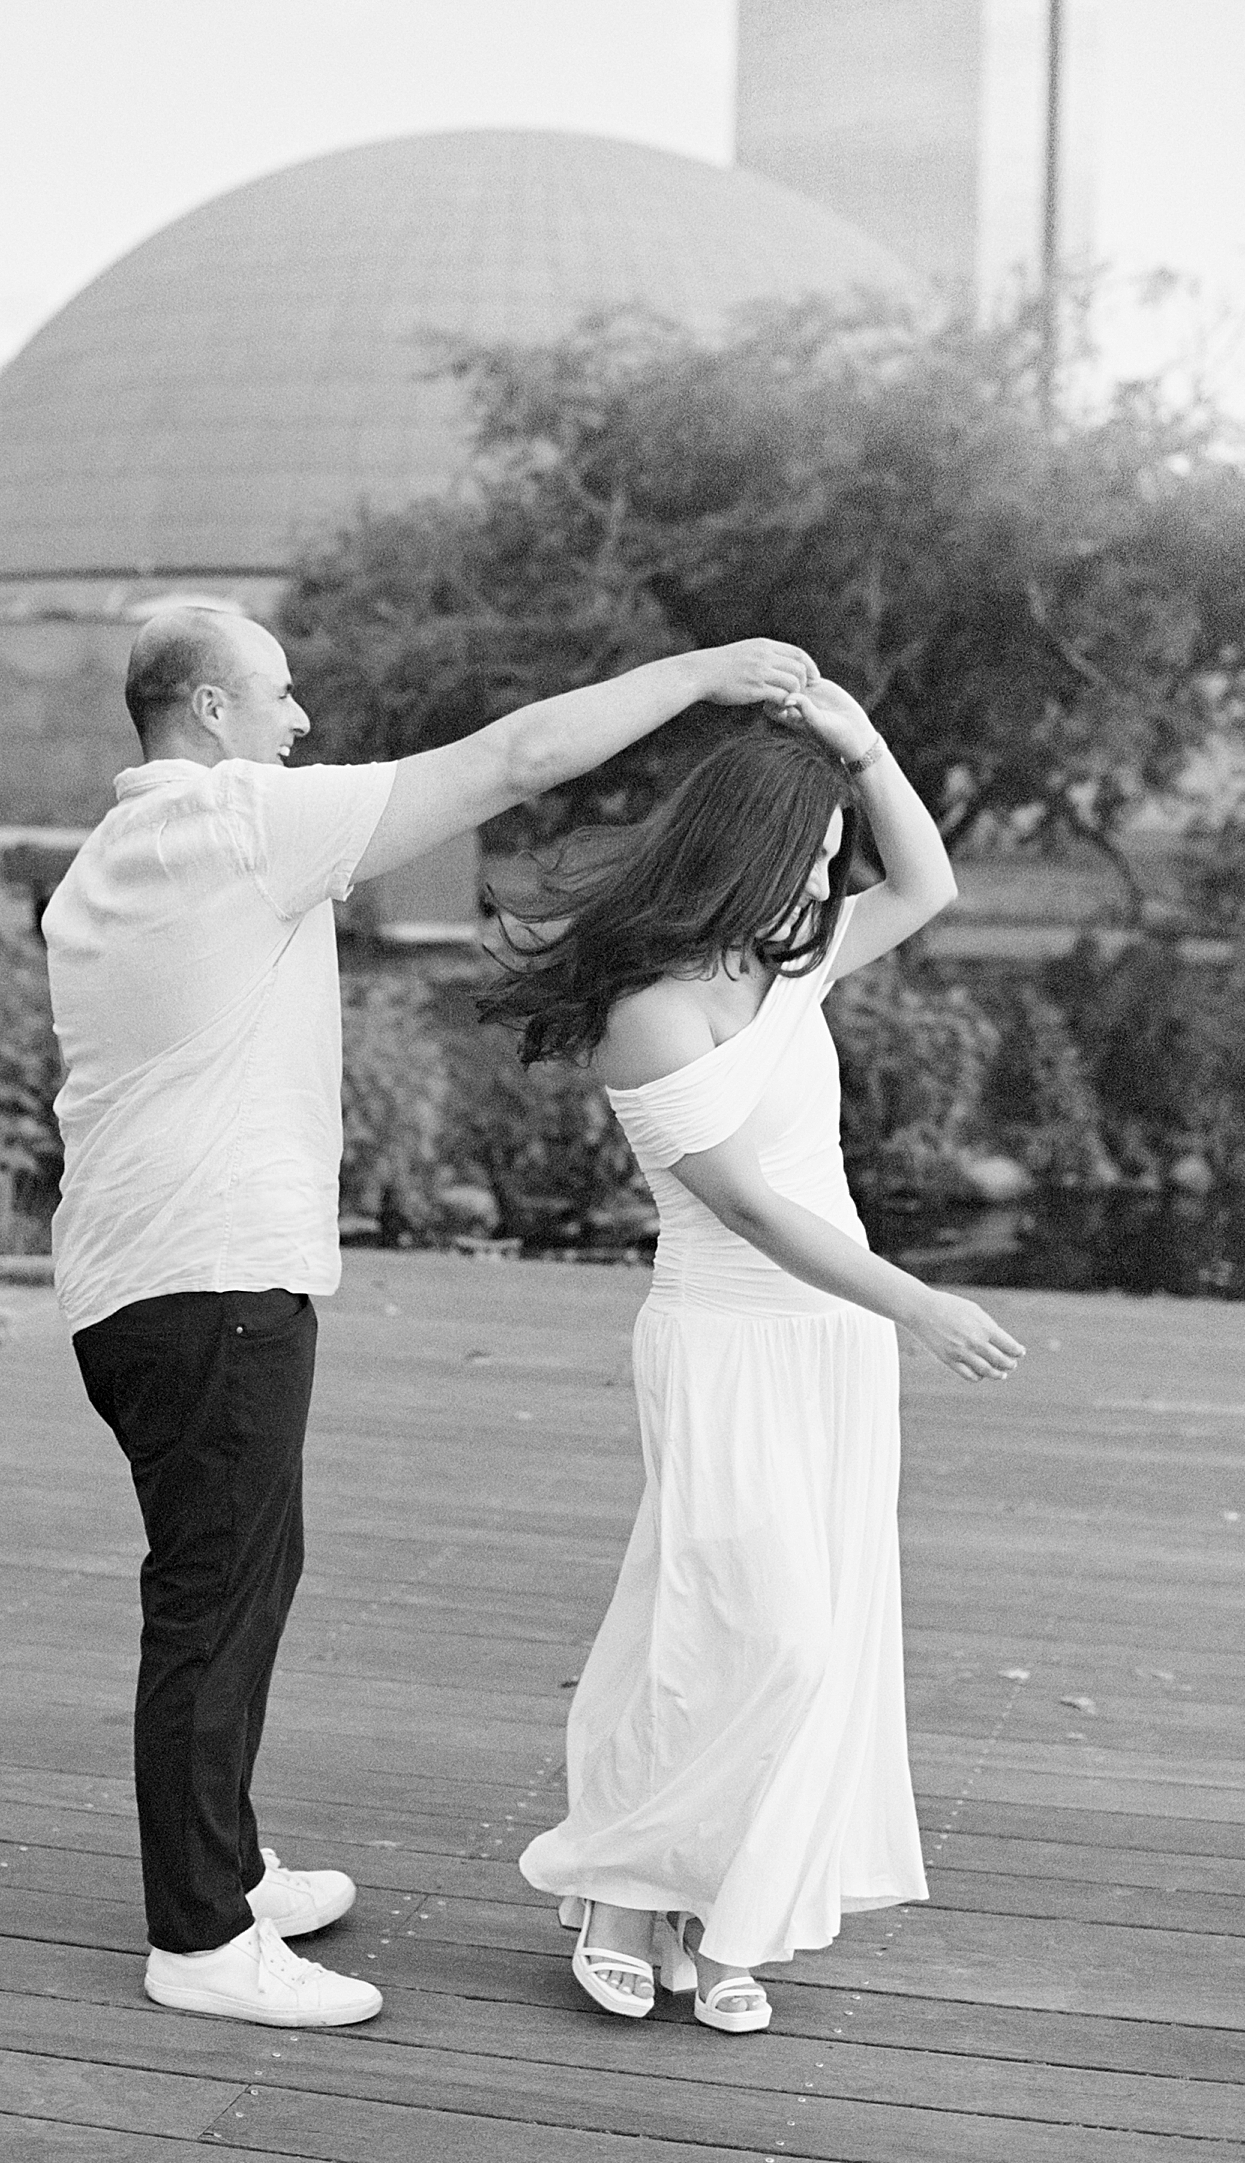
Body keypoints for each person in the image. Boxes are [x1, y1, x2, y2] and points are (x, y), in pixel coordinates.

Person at [41, 604, 820, 2028]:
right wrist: (711, 672)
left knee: (239, 1578)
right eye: (279, 695)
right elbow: (515, 754)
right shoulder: (233, 821)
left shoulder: (113, 856)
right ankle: (202, 1940)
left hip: (141, 1280)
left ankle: (222, 1865)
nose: (302, 721)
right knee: (213, 1600)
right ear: (210, 712)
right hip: (210, 1285)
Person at [481, 679, 1025, 2034]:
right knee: (744, 1630)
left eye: (839, 849)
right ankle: (619, 1879)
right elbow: (749, 1205)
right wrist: (922, 1299)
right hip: (726, 1337)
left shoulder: (793, 963)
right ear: (751, 846)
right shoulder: (651, 1008)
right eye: (818, 845)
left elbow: (932, 875)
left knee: (814, 1640)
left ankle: (729, 1908)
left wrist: (859, 740)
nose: (839, 873)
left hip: (830, 1344)